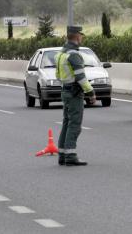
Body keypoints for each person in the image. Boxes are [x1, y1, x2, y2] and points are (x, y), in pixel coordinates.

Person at [55, 26, 96, 166]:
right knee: (75, 125)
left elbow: (58, 76)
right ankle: (70, 155)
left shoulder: (61, 54)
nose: (82, 37)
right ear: (77, 36)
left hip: (65, 91)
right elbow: (81, 77)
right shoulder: (74, 55)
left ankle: (62, 154)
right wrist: (90, 92)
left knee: (66, 123)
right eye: (81, 35)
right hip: (74, 93)